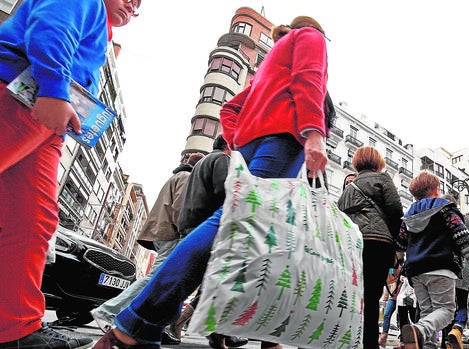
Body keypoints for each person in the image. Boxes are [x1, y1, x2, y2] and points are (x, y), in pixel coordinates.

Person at [91, 14, 328, 349]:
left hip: (254, 147)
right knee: (227, 226)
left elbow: (230, 108)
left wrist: (239, 142)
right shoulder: (310, 38)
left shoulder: (269, 64)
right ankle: (133, 325)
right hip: (284, 141)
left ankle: (141, 327)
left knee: (238, 231)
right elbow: (310, 80)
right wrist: (314, 135)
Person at [0, 0, 139, 348]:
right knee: (29, 218)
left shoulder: (99, 26)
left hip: (47, 116)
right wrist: (55, 88)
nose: (136, 4)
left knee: (34, 218)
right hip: (21, 91)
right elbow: (52, 27)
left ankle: (15, 329)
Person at [91, 152, 204, 343]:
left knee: (164, 281)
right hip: (172, 234)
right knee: (155, 279)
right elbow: (180, 209)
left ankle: (143, 324)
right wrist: (186, 235)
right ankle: (107, 311)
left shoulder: (177, 176)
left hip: (165, 233)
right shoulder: (187, 178)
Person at [165, 135, 246, 349]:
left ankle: (219, 333)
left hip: (192, 224)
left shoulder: (203, 162)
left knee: (207, 280)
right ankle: (172, 324)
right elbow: (225, 191)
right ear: (229, 145)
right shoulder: (222, 160)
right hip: (206, 226)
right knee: (211, 280)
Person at [397, 171, 469, 349]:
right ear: (437, 190)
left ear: (414, 194)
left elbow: (400, 243)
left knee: (427, 312)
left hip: (415, 271)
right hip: (440, 267)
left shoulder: (408, 216)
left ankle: (427, 344)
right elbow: (463, 237)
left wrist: (397, 265)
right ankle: (420, 330)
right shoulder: (446, 209)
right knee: (446, 311)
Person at [338, 146, 405, 349]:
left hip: (351, 244)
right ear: (378, 162)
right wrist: (397, 250)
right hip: (378, 242)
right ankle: (369, 344)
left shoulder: (347, 189)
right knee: (372, 296)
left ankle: (350, 340)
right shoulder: (382, 179)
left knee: (354, 294)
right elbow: (396, 211)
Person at [440, 194, 469, 349]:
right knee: (463, 305)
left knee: (447, 308)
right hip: (463, 270)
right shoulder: (464, 220)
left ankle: (445, 342)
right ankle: (458, 328)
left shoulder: (437, 218)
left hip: (446, 269)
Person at [380, 257, 404, 347]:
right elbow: (388, 285)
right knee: (386, 314)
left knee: (402, 318)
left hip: (403, 298)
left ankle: (404, 339)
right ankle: (383, 337)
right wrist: (385, 300)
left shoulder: (405, 271)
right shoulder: (391, 272)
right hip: (392, 298)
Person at [395, 275, 420, 349]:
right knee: (403, 321)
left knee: (415, 319)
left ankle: (417, 341)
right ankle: (402, 342)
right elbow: (397, 274)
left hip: (414, 297)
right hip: (402, 297)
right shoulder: (404, 265)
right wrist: (401, 277)